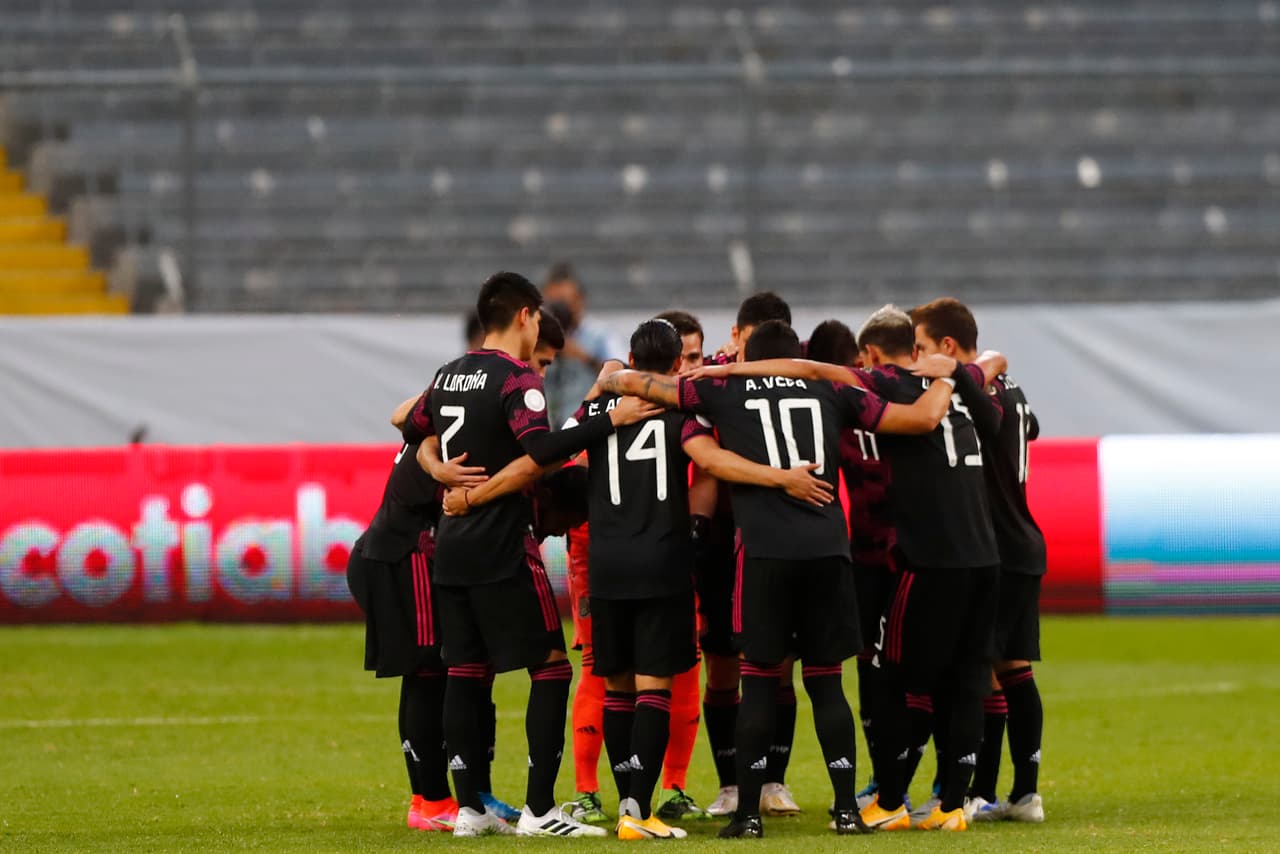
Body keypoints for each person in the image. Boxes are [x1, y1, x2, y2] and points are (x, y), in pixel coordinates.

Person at [599, 319, 955, 838]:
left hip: (763, 551)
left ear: (752, 353)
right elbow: (921, 420)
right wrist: (951, 376)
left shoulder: (722, 387)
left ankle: (746, 815)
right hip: (828, 550)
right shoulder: (832, 387)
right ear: (794, 354)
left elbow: (636, 383)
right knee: (827, 684)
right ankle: (847, 812)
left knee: (761, 684)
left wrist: (611, 374)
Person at [686, 307, 1005, 833]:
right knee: (917, 680)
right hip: (937, 552)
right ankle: (923, 805)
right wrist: (956, 373)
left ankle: (786, 808)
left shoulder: (874, 381)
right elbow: (990, 374)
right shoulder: (961, 381)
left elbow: (700, 433)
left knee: (809, 679)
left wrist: (725, 372)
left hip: (878, 556)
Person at [402, 271, 657, 838]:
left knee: (465, 671)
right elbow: (540, 451)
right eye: (539, 313)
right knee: (552, 668)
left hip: (451, 549)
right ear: (524, 316)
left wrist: (437, 467)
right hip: (502, 544)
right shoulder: (519, 381)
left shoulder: (448, 375)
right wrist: (608, 420)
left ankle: (468, 809)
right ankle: (540, 809)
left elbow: (409, 427)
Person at [566, 307, 711, 827]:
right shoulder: (682, 412)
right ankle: (639, 809)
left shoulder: (598, 415)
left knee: (618, 688)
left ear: (629, 361)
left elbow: (563, 446)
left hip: (606, 564)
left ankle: (625, 799)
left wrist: (597, 393)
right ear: (675, 366)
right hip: (662, 560)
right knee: (655, 687)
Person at [912, 298, 1047, 824]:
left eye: (922, 348)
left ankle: (978, 792)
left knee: (980, 671)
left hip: (993, 545)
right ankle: (1022, 793)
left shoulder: (969, 391)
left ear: (947, 348)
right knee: (1009, 668)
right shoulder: (1011, 389)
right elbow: (1028, 428)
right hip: (1022, 539)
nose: (917, 359)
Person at [692, 292, 806, 820]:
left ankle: (774, 782)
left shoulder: (803, 377)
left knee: (780, 666)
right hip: (723, 538)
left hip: (784, 535)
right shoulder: (711, 379)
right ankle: (732, 785)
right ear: (736, 338)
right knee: (722, 667)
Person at [541, 262, 626, 426]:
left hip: (586, 428)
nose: (560, 311)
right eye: (554, 304)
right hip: (547, 431)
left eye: (565, 303)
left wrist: (585, 357)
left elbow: (626, 375)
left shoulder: (601, 336)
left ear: (580, 300)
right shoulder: (536, 339)